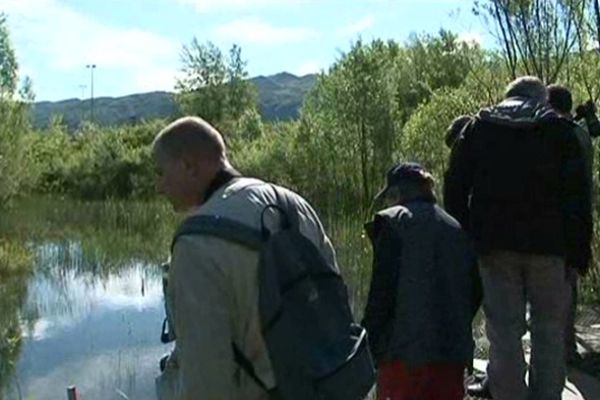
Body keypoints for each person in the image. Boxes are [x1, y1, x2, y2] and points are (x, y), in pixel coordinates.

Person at [153, 116, 339, 400]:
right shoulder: (293, 204)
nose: (160, 186)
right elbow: (334, 305)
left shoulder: (194, 244)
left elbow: (206, 386)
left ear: (188, 165)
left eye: (161, 172)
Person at [445, 76, 592, 400]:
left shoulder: (479, 127)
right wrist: (578, 256)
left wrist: (467, 240)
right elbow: (578, 198)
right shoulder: (561, 131)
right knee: (549, 333)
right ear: (542, 98)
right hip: (551, 250)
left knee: (504, 332)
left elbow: (455, 187)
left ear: (508, 95)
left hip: (494, 247)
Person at [363, 162, 477, 400]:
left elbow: (381, 295)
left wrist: (369, 345)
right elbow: (474, 291)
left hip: (402, 358)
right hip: (451, 357)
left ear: (396, 193)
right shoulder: (456, 228)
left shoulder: (394, 222)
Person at [547, 84, 596, 364]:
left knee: (557, 283)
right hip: (581, 214)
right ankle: (566, 343)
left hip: (559, 217)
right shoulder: (579, 134)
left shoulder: (560, 135)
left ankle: (562, 346)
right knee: (570, 281)